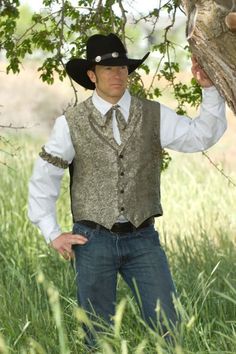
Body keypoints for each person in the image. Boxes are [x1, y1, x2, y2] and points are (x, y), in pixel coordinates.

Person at [28, 33, 226, 346]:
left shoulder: (153, 114)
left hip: (143, 238)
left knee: (169, 326)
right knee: (97, 336)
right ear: (92, 76)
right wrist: (52, 231)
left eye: (122, 67)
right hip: (92, 240)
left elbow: (200, 136)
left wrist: (210, 90)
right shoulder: (72, 123)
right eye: (108, 69)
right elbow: (45, 175)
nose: (117, 74)